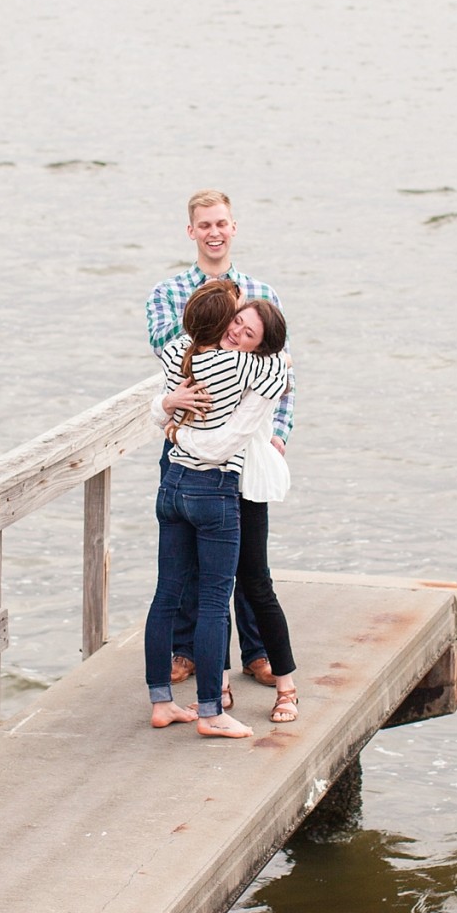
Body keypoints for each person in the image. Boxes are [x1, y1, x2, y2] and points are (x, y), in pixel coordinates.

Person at [144, 191, 293, 689]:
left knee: (248, 554)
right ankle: (188, 652)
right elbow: (177, 354)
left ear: (234, 228)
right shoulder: (168, 292)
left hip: (246, 445)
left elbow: (283, 366)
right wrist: (173, 407)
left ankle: (256, 652)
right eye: (204, 224)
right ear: (191, 231)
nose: (214, 232)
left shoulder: (260, 291)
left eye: (222, 223)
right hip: (187, 434)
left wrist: (278, 435)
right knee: (187, 558)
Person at [156, 293, 300, 723]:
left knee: (255, 581)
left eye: (249, 332)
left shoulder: (260, 373)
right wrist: (165, 405)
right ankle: (217, 681)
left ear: (261, 346)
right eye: (237, 323)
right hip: (209, 482)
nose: (236, 332)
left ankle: (288, 687)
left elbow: (227, 440)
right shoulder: (207, 357)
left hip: (242, 481)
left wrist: (177, 437)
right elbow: (164, 388)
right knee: (209, 585)